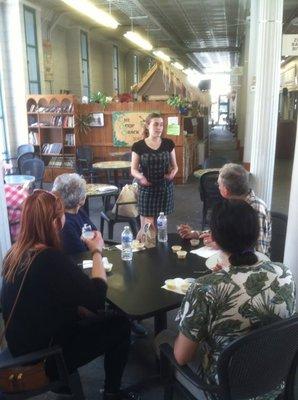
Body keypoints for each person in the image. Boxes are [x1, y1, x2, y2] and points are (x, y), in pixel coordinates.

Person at [1, 190, 138, 400]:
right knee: (120, 323)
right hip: (46, 359)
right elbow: (97, 299)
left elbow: (44, 299)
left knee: (87, 314)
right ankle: (112, 393)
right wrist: (97, 252)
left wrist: (77, 309)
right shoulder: (50, 259)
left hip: (21, 347)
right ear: (56, 222)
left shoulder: (15, 253)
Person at [160, 200, 295, 399]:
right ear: (257, 234)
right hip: (274, 380)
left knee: (162, 338)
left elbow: (182, 357)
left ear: (214, 237)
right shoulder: (284, 273)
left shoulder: (205, 288)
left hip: (223, 390)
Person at [178, 163, 271, 255]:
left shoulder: (256, 208)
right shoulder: (233, 204)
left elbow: (259, 252)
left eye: (219, 184)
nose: (218, 187)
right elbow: (224, 232)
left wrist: (221, 245)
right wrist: (196, 234)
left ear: (226, 190)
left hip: (251, 265)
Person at [131, 112, 178, 230]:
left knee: (161, 226)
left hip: (165, 188)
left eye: (161, 125)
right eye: (156, 124)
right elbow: (133, 170)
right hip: (147, 188)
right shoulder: (138, 146)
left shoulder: (168, 143)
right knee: (147, 227)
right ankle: (145, 247)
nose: (159, 128)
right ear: (147, 125)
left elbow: (175, 166)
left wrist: (173, 173)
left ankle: (159, 248)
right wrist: (141, 177)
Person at [52, 173, 96, 254]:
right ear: (81, 199)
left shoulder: (79, 211)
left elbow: (95, 232)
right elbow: (81, 255)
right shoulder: (64, 224)